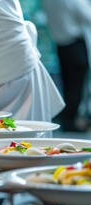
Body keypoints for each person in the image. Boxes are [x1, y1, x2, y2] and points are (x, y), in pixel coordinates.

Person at [42, 0, 91, 132]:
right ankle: (71, 121)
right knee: (77, 85)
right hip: (75, 45)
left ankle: (68, 119)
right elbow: (88, 16)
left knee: (68, 84)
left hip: (61, 46)